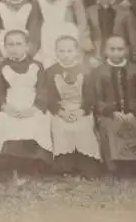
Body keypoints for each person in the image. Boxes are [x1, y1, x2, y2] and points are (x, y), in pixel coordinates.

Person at [0, 30, 52, 185]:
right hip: (11, 105)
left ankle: (33, 167)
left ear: (27, 46)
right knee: (5, 121)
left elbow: (43, 90)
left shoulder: (37, 66)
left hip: (32, 105)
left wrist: (34, 107)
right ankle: (14, 167)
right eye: (10, 44)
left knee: (37, 121)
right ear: (5, 47)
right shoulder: (1, 67)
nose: (15, 48)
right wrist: (6, 107)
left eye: (19, 44)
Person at [94, 36, 136, 177]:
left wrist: (134, 111)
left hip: (134, 113)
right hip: (110, 114)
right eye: (112, 49)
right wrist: (111, 111)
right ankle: (116, 166)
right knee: (110, 126)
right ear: (105, 51)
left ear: (126, 50)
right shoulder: (99, 71)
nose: (116, 53)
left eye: (120, 49)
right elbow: (96, 97)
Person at [47, 35, 102, 179]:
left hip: (81, 109)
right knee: (60, 128)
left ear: (76, 52)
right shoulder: (50, 72)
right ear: (55, 52)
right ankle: (65, 166)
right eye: (61, 51)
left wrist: (81, 110)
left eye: (69, 51)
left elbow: (90, 95)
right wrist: (60, 112)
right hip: (61, 109)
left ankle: (87, 166)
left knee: (84, 129)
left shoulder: (85, 70)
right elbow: (49, 97)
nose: (65, 55)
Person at [29, 0, 92, 68]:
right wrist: (33, 44)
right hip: (48, 35)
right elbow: (34, 23)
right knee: (49, 65)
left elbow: (82, 21)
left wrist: (81, 40)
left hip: (68, 34)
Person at [86, 0, 136, 66]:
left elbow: (133, 38)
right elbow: (86, 35)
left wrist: (135, 60)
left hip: (119, 55)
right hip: (97, 56)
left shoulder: (125, 12)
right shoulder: (89, 11)